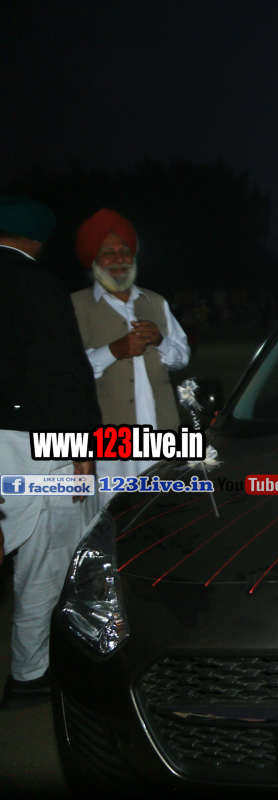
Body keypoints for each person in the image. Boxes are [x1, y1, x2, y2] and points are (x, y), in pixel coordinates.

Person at [0, 196, 102, 710]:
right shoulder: (34, 284)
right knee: (45, 559)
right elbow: (54, 370)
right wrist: (79, 441)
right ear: (38, 240)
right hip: (32, 445)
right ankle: (29, 675)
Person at [71, 210, 190, 506]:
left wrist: (160, 341)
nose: (119, 259)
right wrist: (114, 351)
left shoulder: (155, 301)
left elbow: (182, 358)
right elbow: (67, 370)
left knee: (162, 512)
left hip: (161, 433)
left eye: (125, 252)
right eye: (108, 253)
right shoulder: (74, 305)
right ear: (94, 259)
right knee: (111, 512)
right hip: (109, 440)